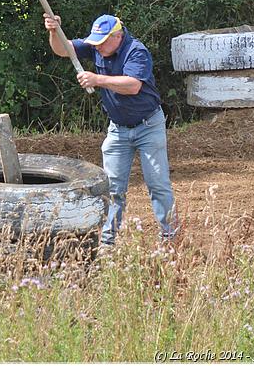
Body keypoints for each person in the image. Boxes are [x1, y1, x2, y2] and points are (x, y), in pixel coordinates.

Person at [43, 13, 177, 246]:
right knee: (112, 188)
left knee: (157, 184)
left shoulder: (136, 51)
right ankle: (107, 242)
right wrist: (54, 31)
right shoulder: (97, 45)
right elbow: (63, 50)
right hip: (118, 129)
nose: (98, 46)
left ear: (118, 36)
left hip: (148, 126)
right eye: (95, 42)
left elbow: (133, 86)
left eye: (103, 41)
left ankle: (170, 237)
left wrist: (97, 79)